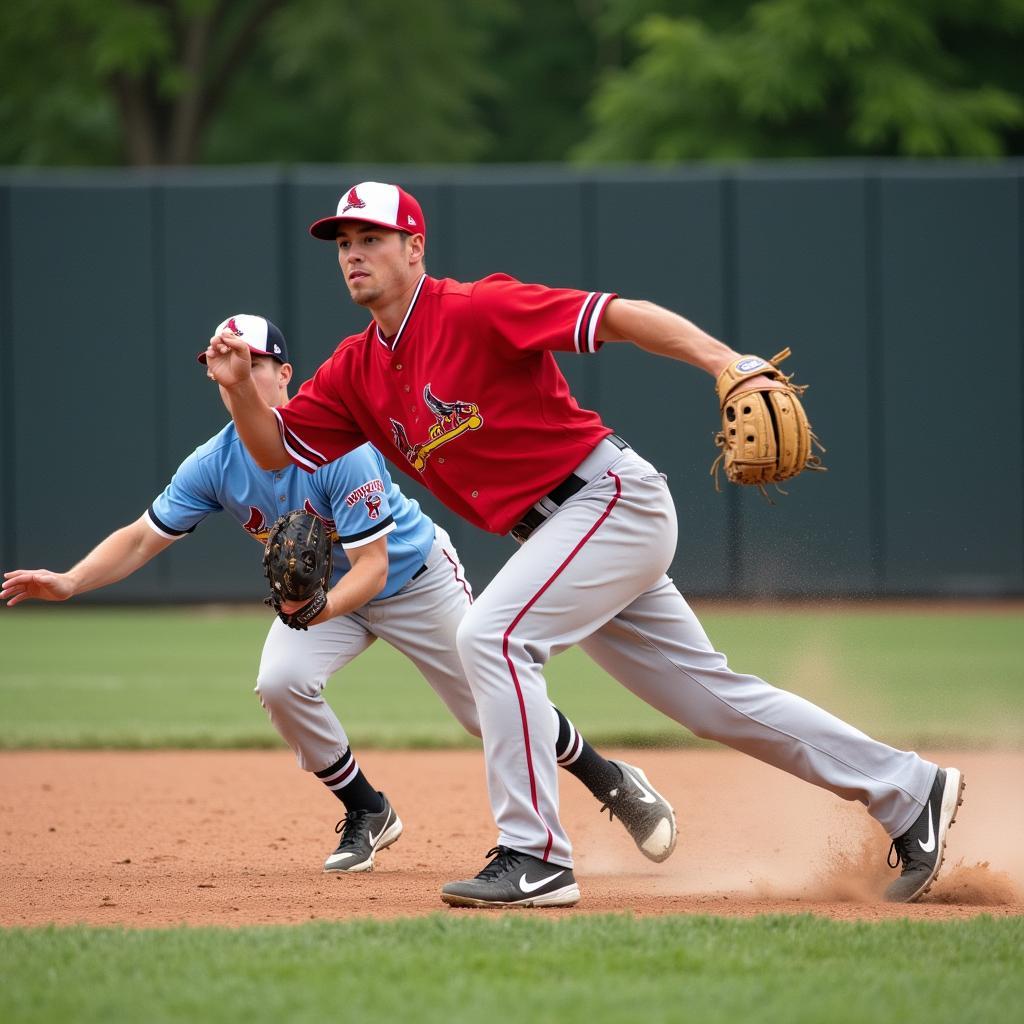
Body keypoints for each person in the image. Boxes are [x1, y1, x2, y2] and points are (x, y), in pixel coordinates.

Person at [203, 181, 965, 908]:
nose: (353, 253)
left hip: (607, 500)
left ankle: (534, 856)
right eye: (342, 241)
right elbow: (275, 451)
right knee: (714, 703)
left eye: (371, 237)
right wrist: (240, 386)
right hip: (561, 534)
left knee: (493, 637)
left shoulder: (478, 308)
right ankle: (908, 790)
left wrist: (723, 361)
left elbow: (621, 316)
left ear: (415, 247)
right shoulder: (354, 370)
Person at [1, 313, 677, 886]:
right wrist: (68, 580)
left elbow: (374, 567)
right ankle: (368, 809)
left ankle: (611, 780)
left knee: (486, 712)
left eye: (253, 360)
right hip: (332, 596)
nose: (238, 370)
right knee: (281, 680)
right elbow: (142, 538)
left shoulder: (334, 448)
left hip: (414, 581)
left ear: (284, 374)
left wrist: (314, 611)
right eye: (224, 358)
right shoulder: (213, 463)